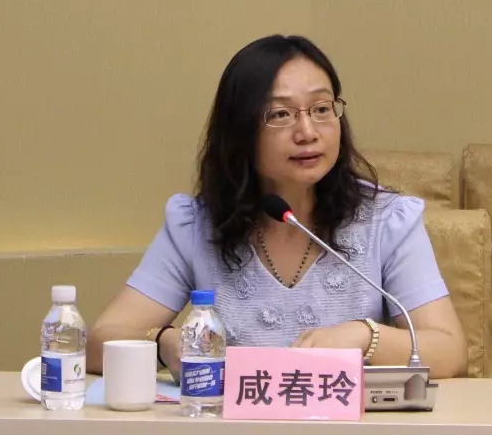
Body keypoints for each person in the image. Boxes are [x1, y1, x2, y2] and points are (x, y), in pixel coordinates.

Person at [87, 34, 468, 379]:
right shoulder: (197, 225)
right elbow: (100, 340)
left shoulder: (386, 220)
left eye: (321, 108)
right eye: (281, 114)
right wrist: (162, 342)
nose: (308, 132)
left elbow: (450, 351)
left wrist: (365, 337)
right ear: (240, 131)